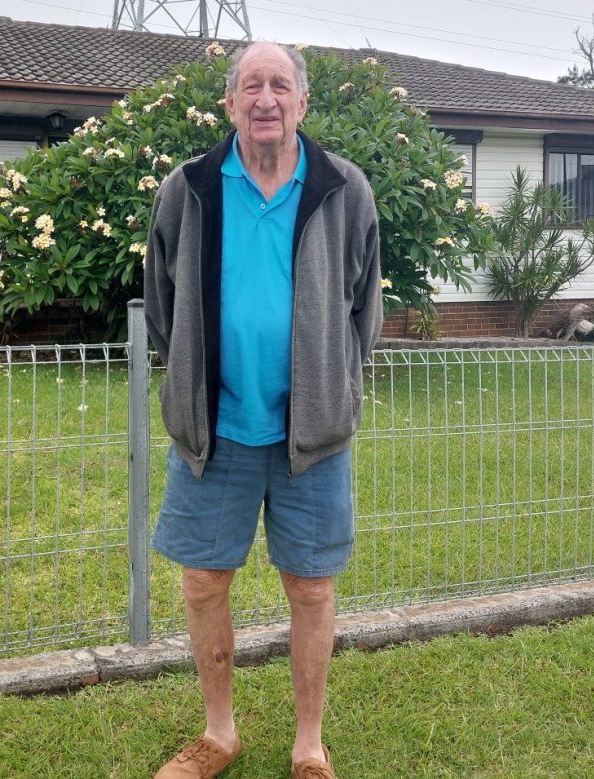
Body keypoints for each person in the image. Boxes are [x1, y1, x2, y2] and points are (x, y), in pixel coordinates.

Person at [144, 40, 383, 779]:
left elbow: (363, 308)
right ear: (230, 103)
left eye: (281, 85)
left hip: (310, 435)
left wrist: (335, 387)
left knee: (310, 587)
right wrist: (188, 380)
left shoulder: (344, 190)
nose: (267, 99)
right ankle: (220, 733)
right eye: (252, 85)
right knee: (201, 582)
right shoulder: (188, 190)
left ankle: (309, 743)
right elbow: (163, 306)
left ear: (303, 102)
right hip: (215, 432)